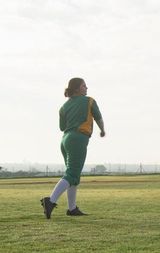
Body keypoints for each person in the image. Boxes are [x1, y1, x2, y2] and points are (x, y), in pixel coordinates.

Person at [41, 78, 105, 219]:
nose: (86, 88)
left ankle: (72, 208)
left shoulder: (63, 107)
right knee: (72, 174)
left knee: (73, 175)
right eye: (84, 86)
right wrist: (102, 130)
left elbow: (62, 127)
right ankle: (50, 201)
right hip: (78, 139)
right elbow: (98, 117)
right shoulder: (89, 101)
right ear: (77, 88)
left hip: (65, 140)